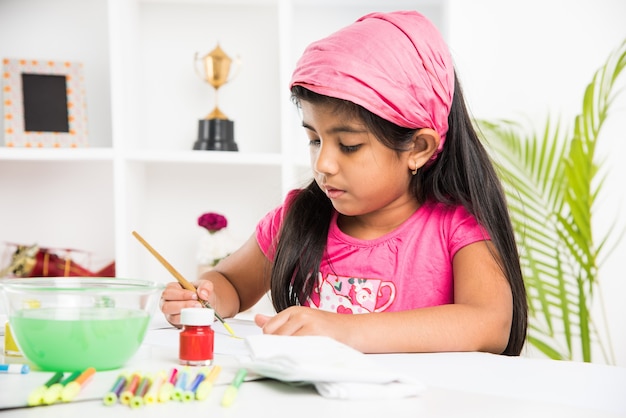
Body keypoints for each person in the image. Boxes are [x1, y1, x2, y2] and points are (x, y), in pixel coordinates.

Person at [161, 10, 528, 356]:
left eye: (349, 145)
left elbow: (490, 324)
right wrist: (203, 298)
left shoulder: (457, 228)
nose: (323, 164)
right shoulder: (297, 218)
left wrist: (346, 330)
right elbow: (232, 284)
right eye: (314, 139)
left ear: (417, 147)